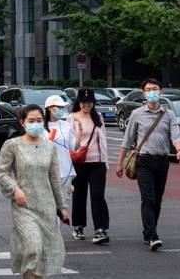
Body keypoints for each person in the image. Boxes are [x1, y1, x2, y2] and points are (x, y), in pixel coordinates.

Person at [0, 104, 68, 279]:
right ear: (23, 123)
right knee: (32, 247)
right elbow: (2, 173)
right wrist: (15, 189)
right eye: (31, 121)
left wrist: (62, 207)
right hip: (24, 206)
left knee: (44, 253)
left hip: (46, 207)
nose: (35, 124)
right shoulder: (12, 145)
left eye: (39, 120)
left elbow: (54, 179)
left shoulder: (49, 147)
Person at [116, 78, 180, 251]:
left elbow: (175, 134)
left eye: (155, 89)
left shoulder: (169, 114)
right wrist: (119, 164)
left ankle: (148, 232)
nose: (152, 92)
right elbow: (127, 140)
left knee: (157, 200)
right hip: (143, 161)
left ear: (161, 92)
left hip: (162, 161)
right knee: (148, 198)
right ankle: (153, 235)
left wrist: (179, 150)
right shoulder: (136, 114)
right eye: (148, 90)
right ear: (143, 93)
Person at [67, 89, 110, 244]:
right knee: (79, 195)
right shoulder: (71, 118)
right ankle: (78, 226)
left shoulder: (98, 117)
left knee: (98, 195)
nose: (87, 105)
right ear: (79, 102)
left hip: (97, 163)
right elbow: (69, 142)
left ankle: (100, 229)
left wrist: (105, 162)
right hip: (79, 163)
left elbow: (103, 140)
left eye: (90, 102)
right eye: (84, 102)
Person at [43, 95, 78, 206]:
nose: (61, 109)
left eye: (62, 107)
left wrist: (80, 132)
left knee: (62, 204)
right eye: (58, 107)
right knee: (48, 204)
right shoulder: (41, 127)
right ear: (49, 108)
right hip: (46, 171)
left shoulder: (67, 126)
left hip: (65, 171)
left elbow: (74, 147)